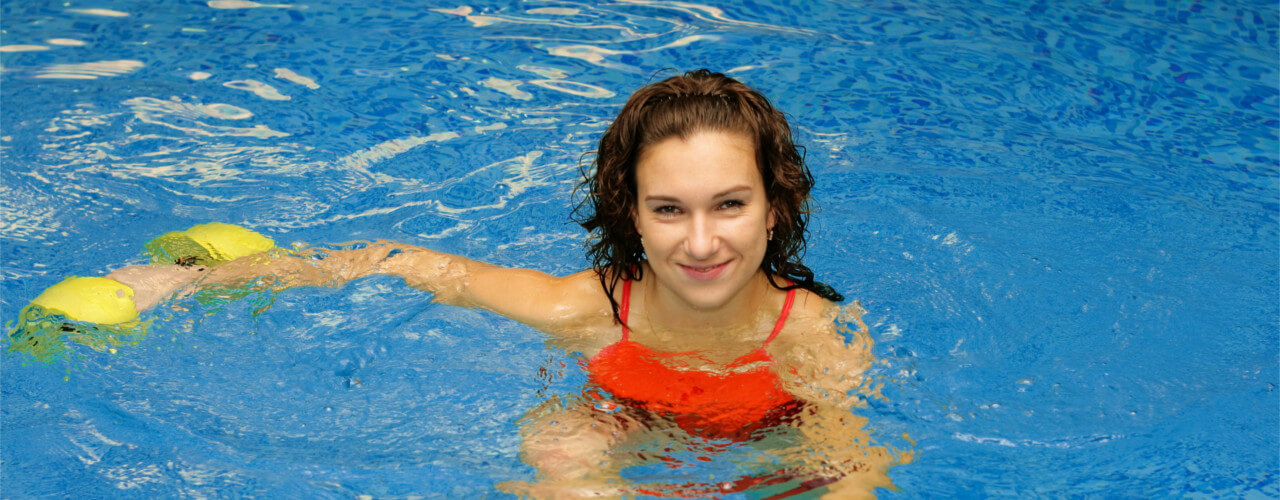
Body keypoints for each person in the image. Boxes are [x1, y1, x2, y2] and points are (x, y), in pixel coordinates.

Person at [13, 70, 906, 497]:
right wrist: (193, 279)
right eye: (669, 209)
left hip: (768, 455)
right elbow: (405, 263)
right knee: (562, 445)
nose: (702, 241)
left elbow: (853, 463)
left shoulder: (814, 333)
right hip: (623, 432)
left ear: (774, 206)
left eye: (730, 206)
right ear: (629, 213)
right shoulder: (582, 308)